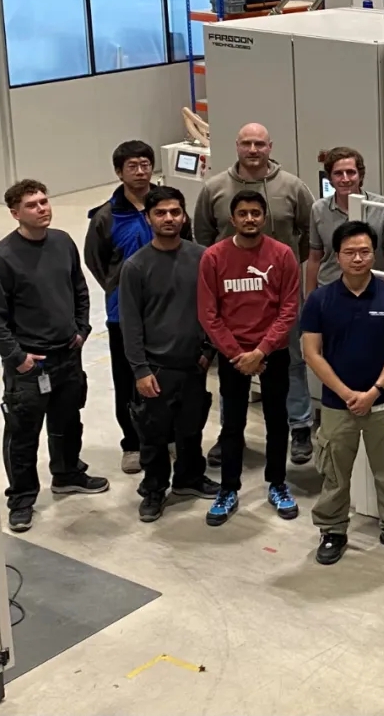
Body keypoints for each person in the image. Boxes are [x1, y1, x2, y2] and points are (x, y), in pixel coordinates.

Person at [0, 179, 109, 533]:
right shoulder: (3, 258)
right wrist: (16, 357)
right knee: (23, 433)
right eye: (32, 205)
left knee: (68, 421)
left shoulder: (63, 242)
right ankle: (21, 499)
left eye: (44, 201)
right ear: (15, 213)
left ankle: (67, 474)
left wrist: (81, 329)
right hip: (31, 364)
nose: (42, 208)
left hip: (67, 354)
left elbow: (79, 288)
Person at [194, 123, 316, 467]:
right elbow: (202, 234)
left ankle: (300, 427)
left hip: (280, 295)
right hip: (232, 297)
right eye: (246, 143)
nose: (252, 150)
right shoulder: (214, 188)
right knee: (230, 369)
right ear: (236, 146)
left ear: (269, 147)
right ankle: (230, 434)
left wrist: (285, 265)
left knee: (292, 362)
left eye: (259, 144)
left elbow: (309, 232)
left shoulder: (292, 187)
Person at [301, 220, 384, 564]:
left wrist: (373, 391)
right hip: (336, 404)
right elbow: (312, 353)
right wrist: (346, 393)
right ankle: (332, 530)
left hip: (383, 402)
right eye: (350, 252)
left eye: (365, 251)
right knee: (335, 473)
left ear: (374, 254)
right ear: (337, 256)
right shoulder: (320, 300)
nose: (358, 258)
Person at [86, 140, 190, 475]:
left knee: (170, 378)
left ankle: (170, 436)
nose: (141, 171)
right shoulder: (106, 216)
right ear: (119, 172)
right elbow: (96, 261)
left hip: (168, 311)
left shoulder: (167, 206)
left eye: (145, 164)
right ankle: (132, 443)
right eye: (132, 166)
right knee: (129, 379)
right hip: (123, 315)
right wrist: (120, 289)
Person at [197, 189, 300, 526]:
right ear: (233, 219)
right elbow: (208, 314)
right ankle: (228, 488)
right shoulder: (214, 257)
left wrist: (262, 351)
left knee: (277, 420)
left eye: (255, 213)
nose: (250, 219)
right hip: (234, 357)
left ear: (264, 217)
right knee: (232, 424)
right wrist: (237, 354)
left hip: (272, 353)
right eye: (243, 213)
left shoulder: (282, 255)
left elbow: (288, 309)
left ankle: (278, 483)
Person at [119, 186, 220, 523]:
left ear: (184, 216)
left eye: (175, 212)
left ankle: (190, 478)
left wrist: (208, 351)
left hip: (193, 364)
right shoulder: (136, 266)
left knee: (192, 427)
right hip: (156, 369)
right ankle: (153, 489)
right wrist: (140, 370)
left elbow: (214, 309)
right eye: (160, 213)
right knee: (153, 435)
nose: (169, 218)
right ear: (148, 218)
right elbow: (130, 323)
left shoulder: (203, 258)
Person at [305, 147, 384, 292]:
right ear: (330, 178)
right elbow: (314, 259)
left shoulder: (383, 208)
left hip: (373, 292)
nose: (345, 179)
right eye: (338, 173)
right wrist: (310, 299)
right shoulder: (318, 209)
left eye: (351, 172)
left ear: (360, 175)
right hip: (329, 291)